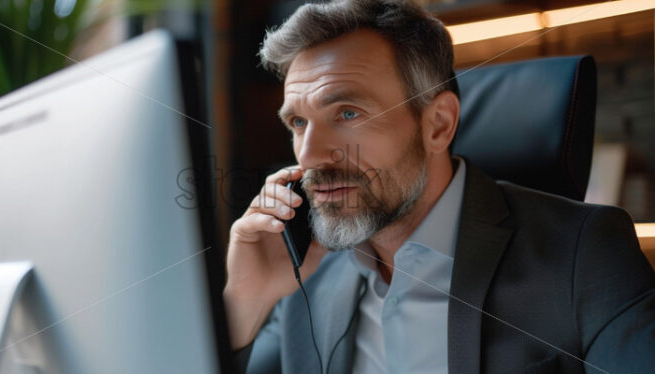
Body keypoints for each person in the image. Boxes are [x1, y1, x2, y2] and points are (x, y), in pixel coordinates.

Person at [222, 1, 655, 373]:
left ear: (438, 124)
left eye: (347, 113)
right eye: (298, 122)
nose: (310, 155)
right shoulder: (305, 274)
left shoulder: (586, 253)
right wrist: (244, 302)